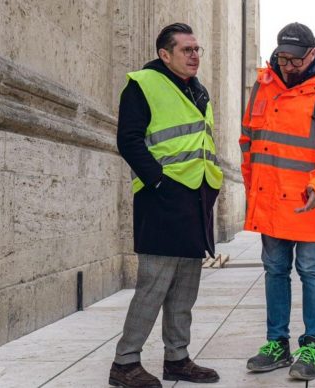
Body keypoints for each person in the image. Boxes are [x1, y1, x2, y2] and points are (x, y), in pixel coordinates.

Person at [110, 23, 222, 387]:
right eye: (186, 50)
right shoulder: (142, 84)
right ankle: (125, 363)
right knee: (153, 285)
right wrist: (158, 181)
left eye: (197, 49)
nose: (194, 55)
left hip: (195, 197)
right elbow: (128, 140)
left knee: (185, 286)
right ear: (165, 54)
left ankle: (177, 358)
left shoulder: (197, 90)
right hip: (160, 197)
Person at [240, 22, 315, 381]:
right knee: (275, 271)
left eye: (295, 60)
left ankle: (312, 345)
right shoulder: (264, 85)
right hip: (270, 198)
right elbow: (248, 140)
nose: (287, 67)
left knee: (311, 271)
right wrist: (253, 189)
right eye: (282, 59)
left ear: (313, 54)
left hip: (308, 200)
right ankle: (277, 343)